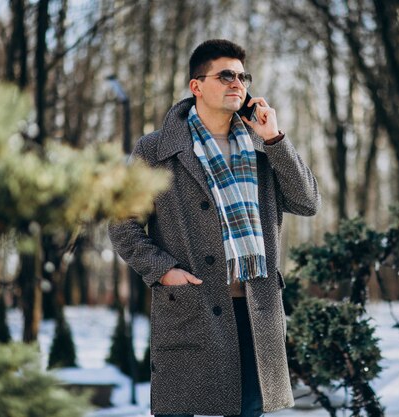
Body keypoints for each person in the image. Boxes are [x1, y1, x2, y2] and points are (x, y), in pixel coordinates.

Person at [109, 39, 320, 417]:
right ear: (196, 85)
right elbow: (122, 225)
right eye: (225, 75)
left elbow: (307, 202)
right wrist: (164, 272)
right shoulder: (155, 150)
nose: (237, 83)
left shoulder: (263, 146)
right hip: (193, 305)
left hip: (256, 309)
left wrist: (275, 139)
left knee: (248, 411)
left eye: (242, 76)